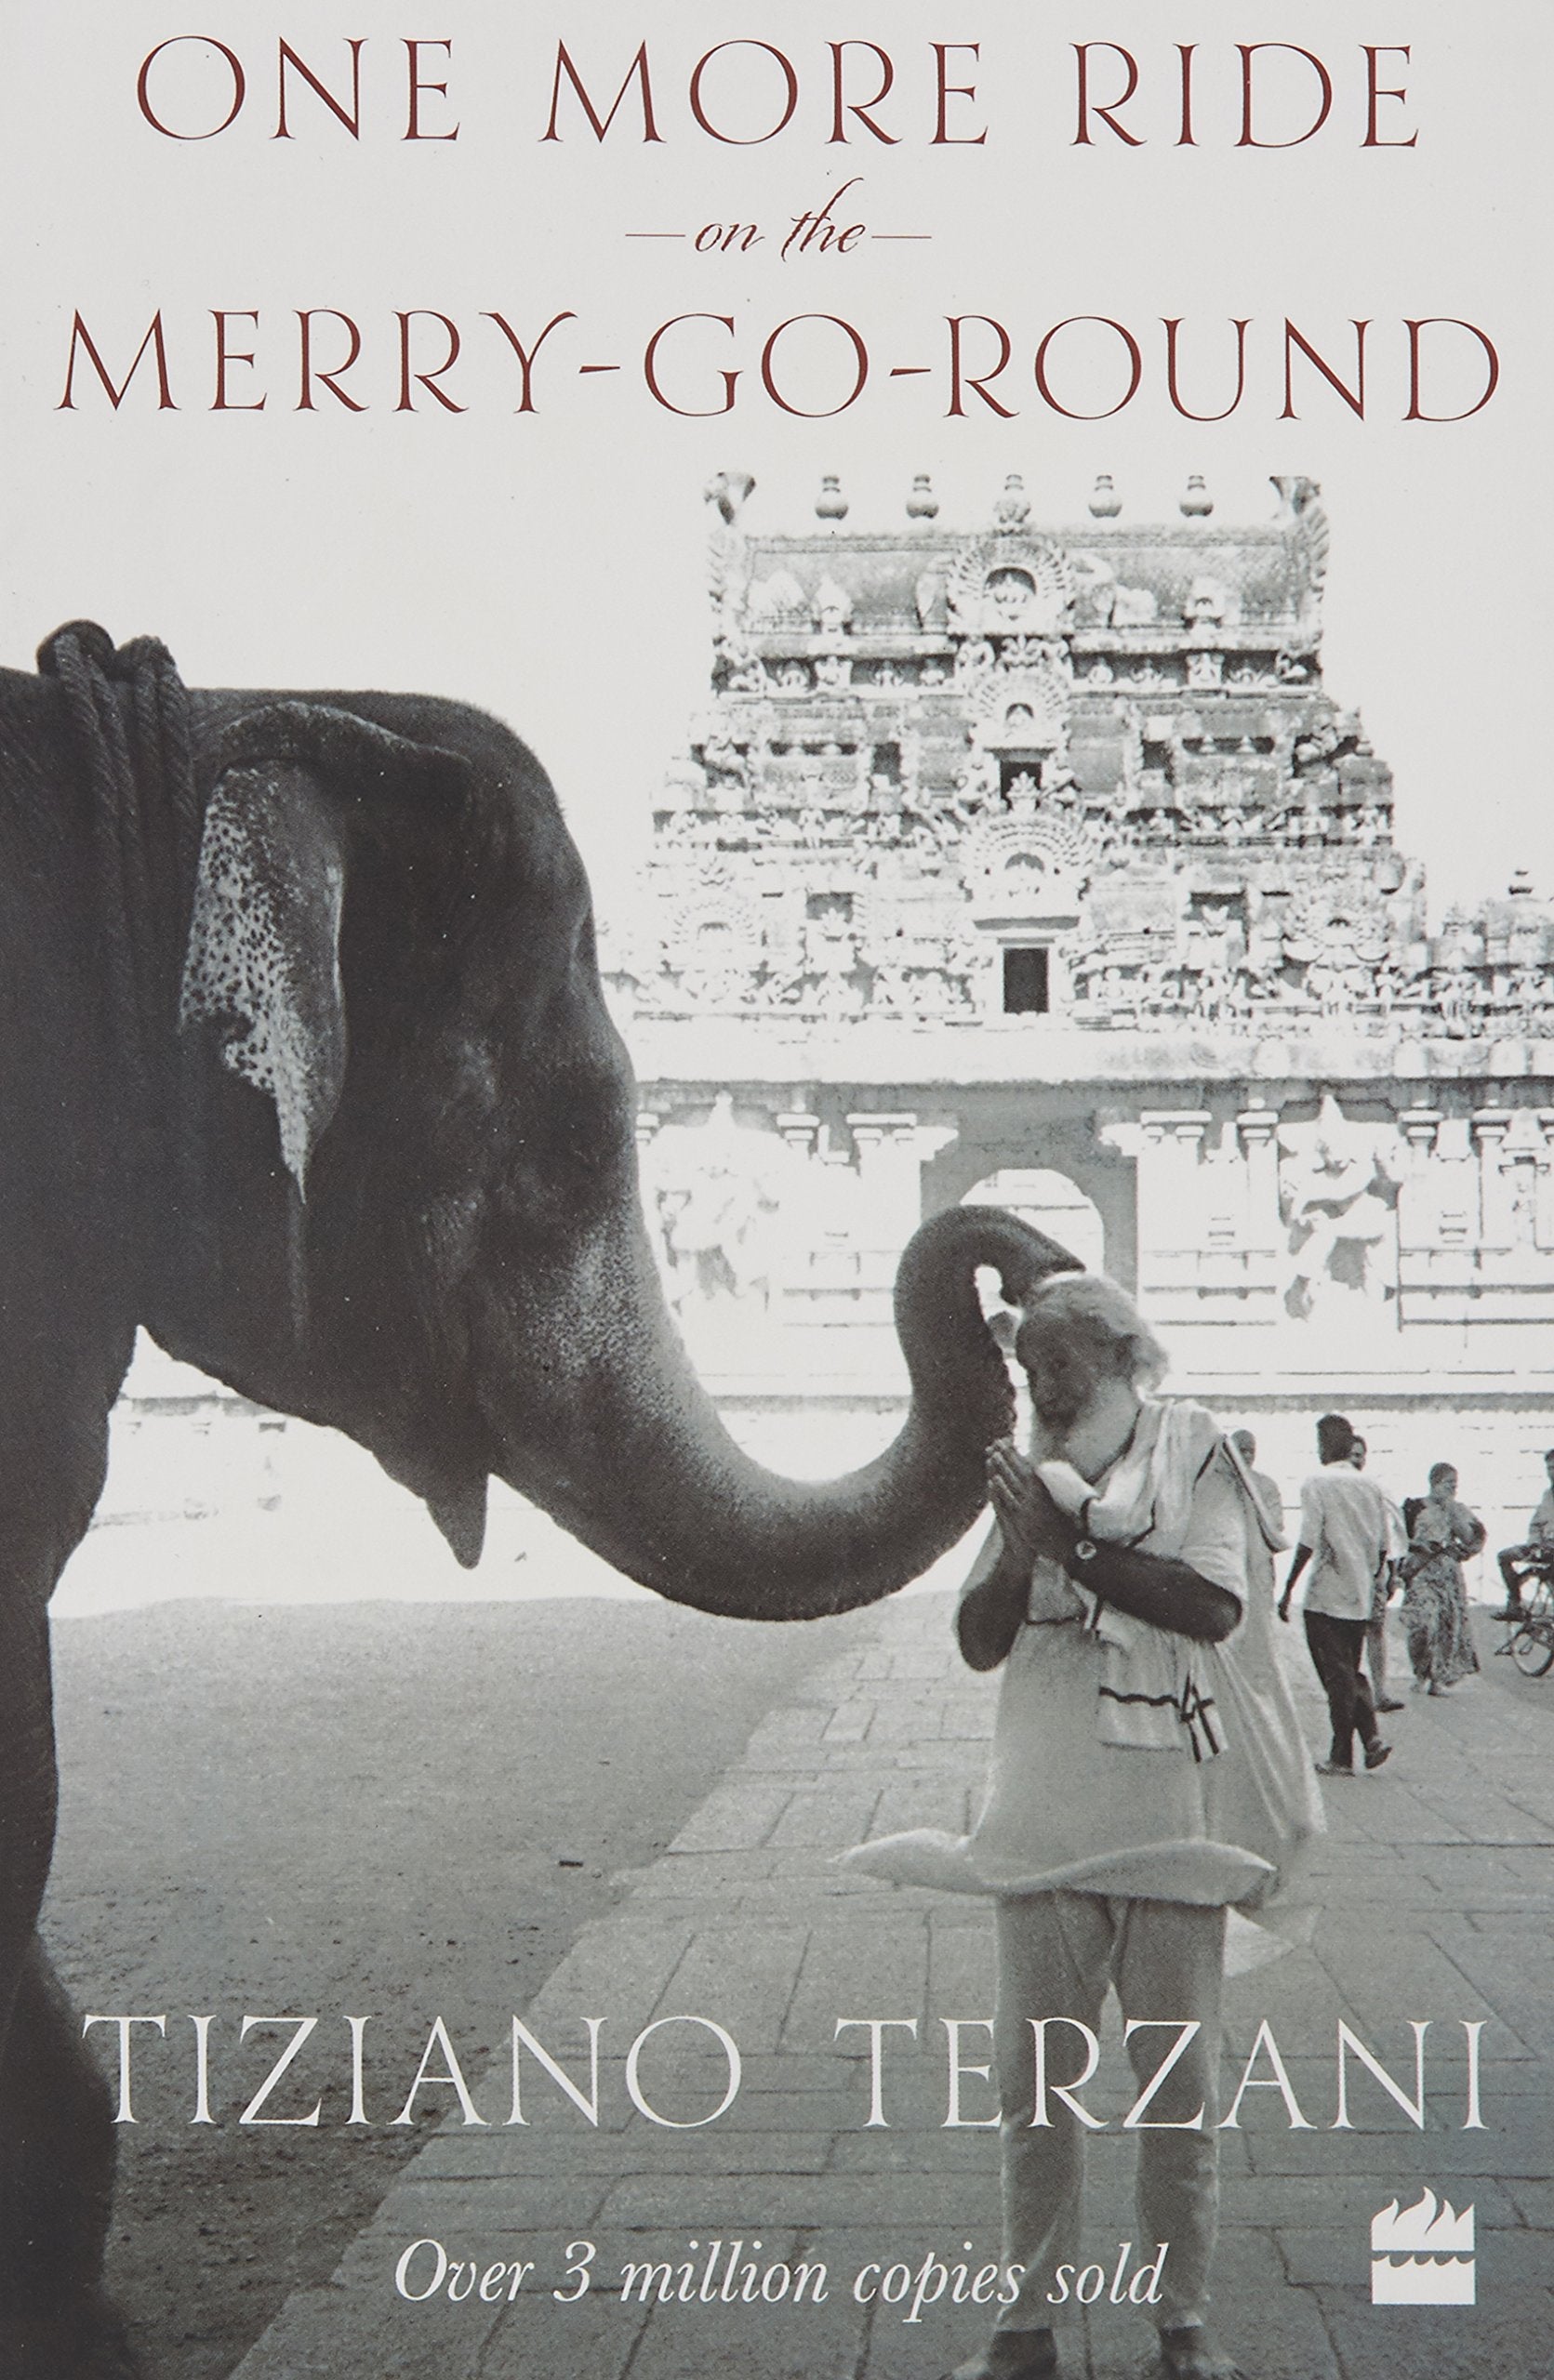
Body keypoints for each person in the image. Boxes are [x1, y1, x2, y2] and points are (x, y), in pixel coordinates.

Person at [844, 1272, 1322, 2380]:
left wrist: (1075, 1553)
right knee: (1032, 2091)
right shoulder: (1023, 1469)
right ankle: (1023, 2329)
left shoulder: (1193, 1448)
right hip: (1041, 1819)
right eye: (1028, 1366)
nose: (1040, 1384)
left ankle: (1183, 2325)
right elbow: (977, 1638)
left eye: (1056, 1363)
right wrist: (1020, 1544)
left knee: (1180, 2096)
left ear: (1120, 1354)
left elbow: (1213, 1608)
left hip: (1172, 1827)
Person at [1278, 1414, 1394, 1776]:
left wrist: (1287, 1589)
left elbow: (1309, 1539)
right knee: (1347, 1670)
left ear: (1327, 1446)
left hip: (1325, 1595)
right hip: (1357, 1595)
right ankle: (1370, 1738)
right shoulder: (1370, 1486)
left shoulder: (1317, 1482)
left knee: (1336, 1675)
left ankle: (1342, 1755)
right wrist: (1373, 1581)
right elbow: (1382, 1548)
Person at [1398, 1462, 1485, 1694]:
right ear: (1434, 1483)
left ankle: (1437, 1678)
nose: (1452, 1490)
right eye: (1448, 1484)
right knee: (1423, 1623)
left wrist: (1453, 1515)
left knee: (1444, 1626)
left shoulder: (1456, 1510)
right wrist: (1418, 1545)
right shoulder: (1413, 1508)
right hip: (1421, 1573)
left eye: (1455, 1486)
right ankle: (1420, 1671)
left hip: (1447, 1576)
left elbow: (1473, 1538)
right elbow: (1398, 1538)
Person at [1349, 1435, 1407, 1714]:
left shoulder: (1375, 1489)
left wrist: (1393, 1571)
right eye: (1351, 1454)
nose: (1355, 1459)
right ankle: (1350, 1691)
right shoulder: (1335, 1488)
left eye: (1360, 1454)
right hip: (1348, 1572)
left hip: (1375, 1571)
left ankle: (1380, 1692)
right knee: (1349, 1633)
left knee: (1375, 1629)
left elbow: (1392, 1532)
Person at [1494, 1448, 1554, 1618]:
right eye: (1549, 1468)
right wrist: (1534, 1543)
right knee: (1504, 1556)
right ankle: (1514, 1602)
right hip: (1543, 1548)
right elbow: (1535, 1525)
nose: (1552, 1473)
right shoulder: (1547, 1496)